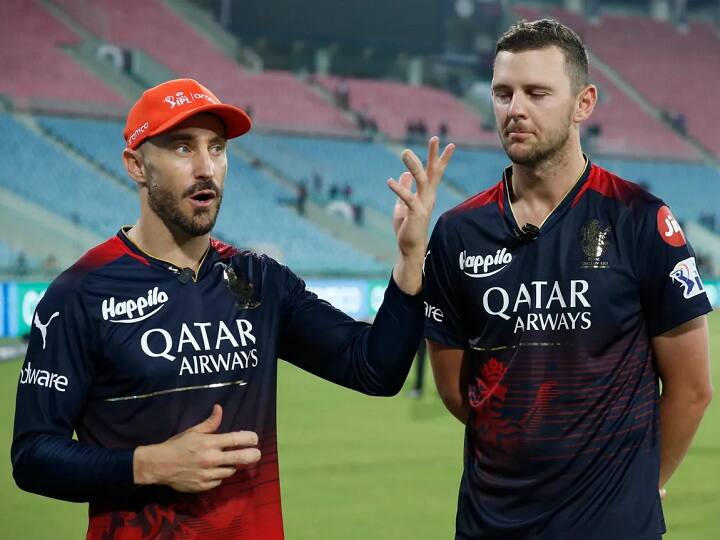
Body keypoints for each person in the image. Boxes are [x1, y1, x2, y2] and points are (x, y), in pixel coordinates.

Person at [12, 78, 455, 539]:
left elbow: (375, 370)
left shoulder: (259, 281)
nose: (206, 168)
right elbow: (33, 456)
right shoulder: (80, 293)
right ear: (136, 165)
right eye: (183, 149)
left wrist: (408, 260)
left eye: (218, 149)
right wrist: (148, 464)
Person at [423, 19, 712, 540]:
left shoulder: (640, 218)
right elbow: (454, 390)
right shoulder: (457, 232)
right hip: (491, 524)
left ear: (584, 103)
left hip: (614, 526)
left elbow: (692, 388)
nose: (516, 109)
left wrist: (641, 485)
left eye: (537, 93)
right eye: (503, 93)